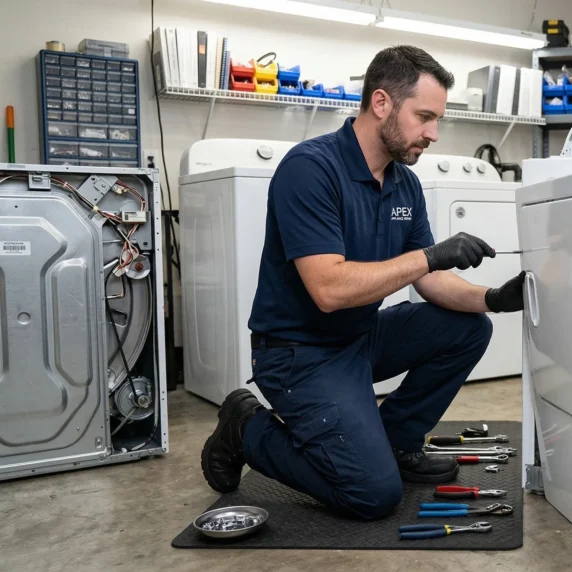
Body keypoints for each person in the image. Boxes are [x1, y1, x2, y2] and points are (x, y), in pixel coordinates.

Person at [199, 45, 525, 521]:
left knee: (470, 327)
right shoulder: (311, 169)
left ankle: (395, 442)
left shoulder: (404, 183)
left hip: (360, 338)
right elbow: (329, 290)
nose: (433, 134)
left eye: (437, 120)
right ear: (381, 103)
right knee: (372, 495)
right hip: (298, 354)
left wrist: (493, 298)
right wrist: (429, 256)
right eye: (424, 117)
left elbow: (430, 280)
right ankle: (246, 428)